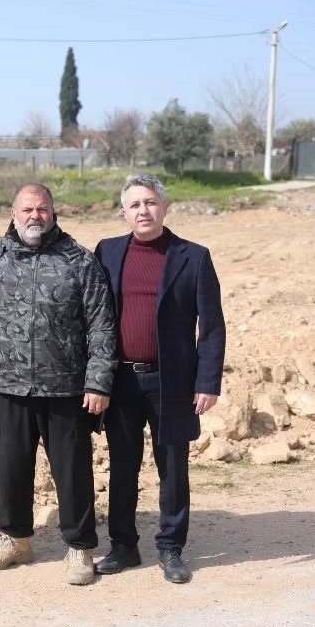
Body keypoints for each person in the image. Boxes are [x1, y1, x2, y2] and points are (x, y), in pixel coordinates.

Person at [0, 183, 116, 586]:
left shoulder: (78, 260)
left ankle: (80, 546)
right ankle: (15, 540)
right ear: (13, 213)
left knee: (73, 471)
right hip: (10, 386)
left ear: (53, 212)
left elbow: (102, 325)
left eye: (42, 209)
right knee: (11, 467)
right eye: (28, 209)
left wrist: (98, 382)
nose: (35, 216)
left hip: (66, 388)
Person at [94, 173, 225, 584]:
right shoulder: (107, 252)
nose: (143, 211)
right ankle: (123, 546)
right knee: (123, 466)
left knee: (173, 467)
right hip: (121, 380)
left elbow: (212, 326)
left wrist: (207, 382)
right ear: (124, 213)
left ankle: (171, 548)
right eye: (135, 204)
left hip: (173, 382)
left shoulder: (194, 257)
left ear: (165, 208)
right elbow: (93, 316)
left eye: (150, 202)